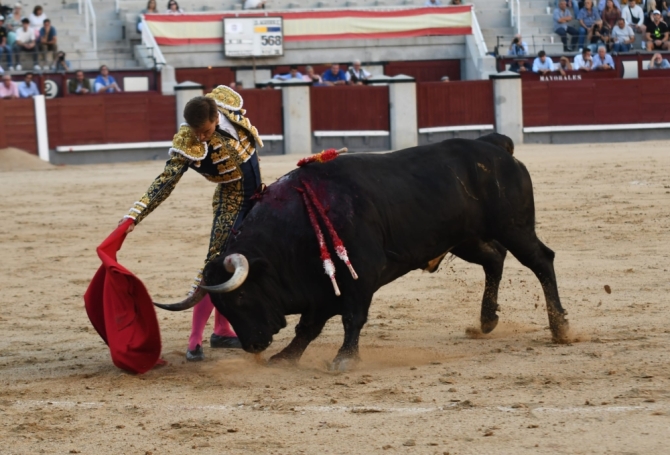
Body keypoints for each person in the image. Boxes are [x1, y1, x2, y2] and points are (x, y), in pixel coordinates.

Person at [120, 86, 263, 361]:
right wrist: (134, 215)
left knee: (237, 265)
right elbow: (166, 180)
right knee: (215, 265)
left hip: (257, 196)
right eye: (197, 132)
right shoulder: (189, 139)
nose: (200, 137)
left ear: (216, 117)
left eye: (206, 132)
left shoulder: (225, 104)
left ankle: (222, 329)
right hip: (230, 202)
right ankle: (194, 340)